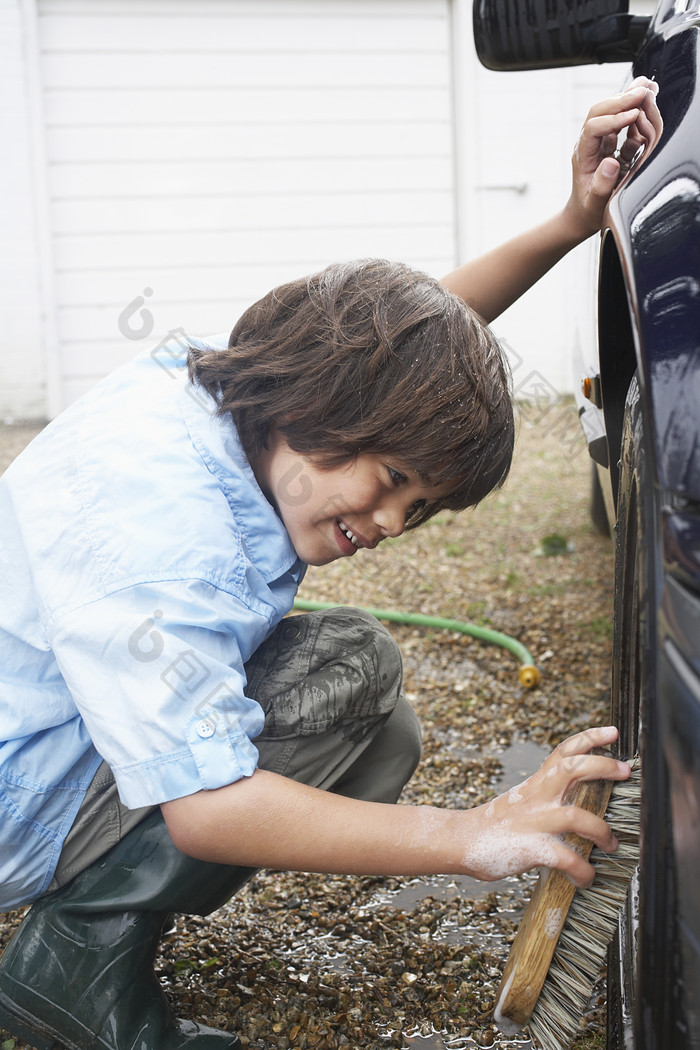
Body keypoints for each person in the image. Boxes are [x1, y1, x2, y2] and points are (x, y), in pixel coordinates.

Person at [0, 79, 659, 1050]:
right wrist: (469, 834)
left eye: (419, 507)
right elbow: (209, 808)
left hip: (42, 724)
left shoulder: (229, 394)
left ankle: (88, 920)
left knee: (369, 704)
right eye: (392, 479)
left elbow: (410, 347)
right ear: (326, 402)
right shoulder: (174, 540)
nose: (391, 521)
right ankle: (74, 960)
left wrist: (570, 221)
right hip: (19, 801)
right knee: (353, 685)